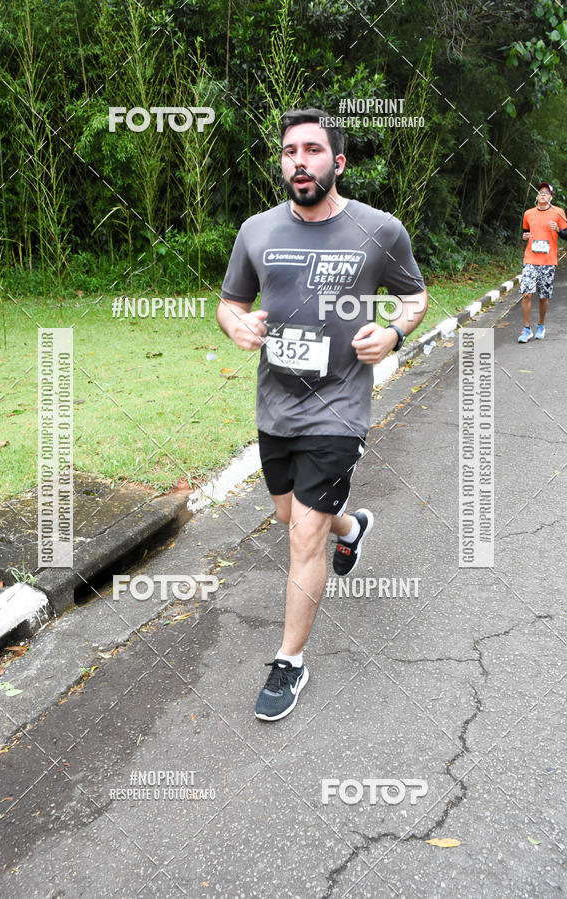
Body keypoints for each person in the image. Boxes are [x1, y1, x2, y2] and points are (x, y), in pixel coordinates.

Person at [217, 108, 428, 721]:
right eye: (289, 151)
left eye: (312, 150)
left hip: (339, 407)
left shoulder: (380, 231)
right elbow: (230, 304)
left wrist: (391, 334)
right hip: (275, 405)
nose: (299, 161)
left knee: (302, 533)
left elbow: (413, 298)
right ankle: (352, 528)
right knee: (291, 515)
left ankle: (289, 662)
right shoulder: (256, 231)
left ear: (337, 162)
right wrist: (239, 326)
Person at [518, 182, 567, 342]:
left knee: (543, 296)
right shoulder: (528, 213)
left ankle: (541, 324)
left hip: (548, 260)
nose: (543, 194)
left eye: (547, 192)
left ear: (551, 197)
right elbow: (525, 233)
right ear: (537, 195)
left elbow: (566, 234)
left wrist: (558, 230)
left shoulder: (558, 212)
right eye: (541, 192)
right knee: (526, 293)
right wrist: (524, 237)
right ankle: (526, 329)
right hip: (530, 258)